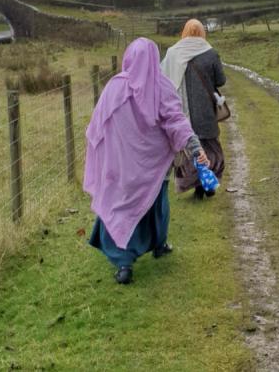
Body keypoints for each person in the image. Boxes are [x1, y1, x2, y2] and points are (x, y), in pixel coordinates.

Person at [84, 37, 209, 284]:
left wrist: (106, 154)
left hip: (121, 166)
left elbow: (96, 128)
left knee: (119, 207)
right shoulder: (161, 86)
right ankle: (155, 246)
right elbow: (177, 121)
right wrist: (194, 147)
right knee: (155, 205)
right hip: (152, 167)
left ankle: (124, 263)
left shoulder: (114, 87)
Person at [161, 19, 226, 200]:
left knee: (190, 148)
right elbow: (221, 80)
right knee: (211, 148)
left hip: (181, 111)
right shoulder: (211, 53)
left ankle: (196, 185)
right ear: (202, 32)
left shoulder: (173, 54)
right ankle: (208, 183)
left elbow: (163, 79)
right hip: (206, 111)